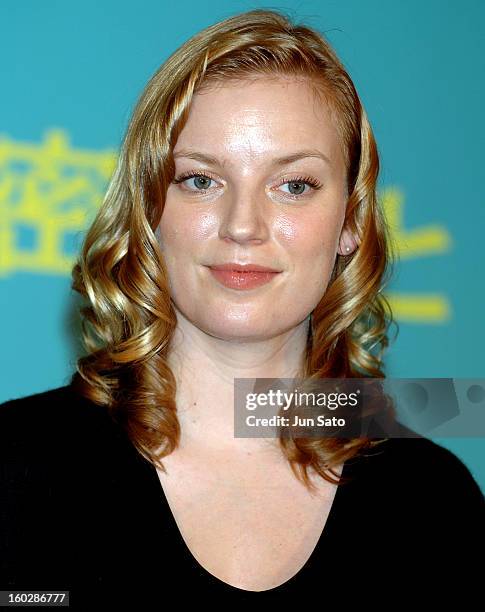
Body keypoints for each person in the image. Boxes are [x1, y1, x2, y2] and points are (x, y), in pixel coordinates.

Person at [1, 8, 483, 607]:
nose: (243, 226)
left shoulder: (433, 500)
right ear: (150, 207)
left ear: (351, 222)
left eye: (295, 185)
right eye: (201, 180)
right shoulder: (13, 466)